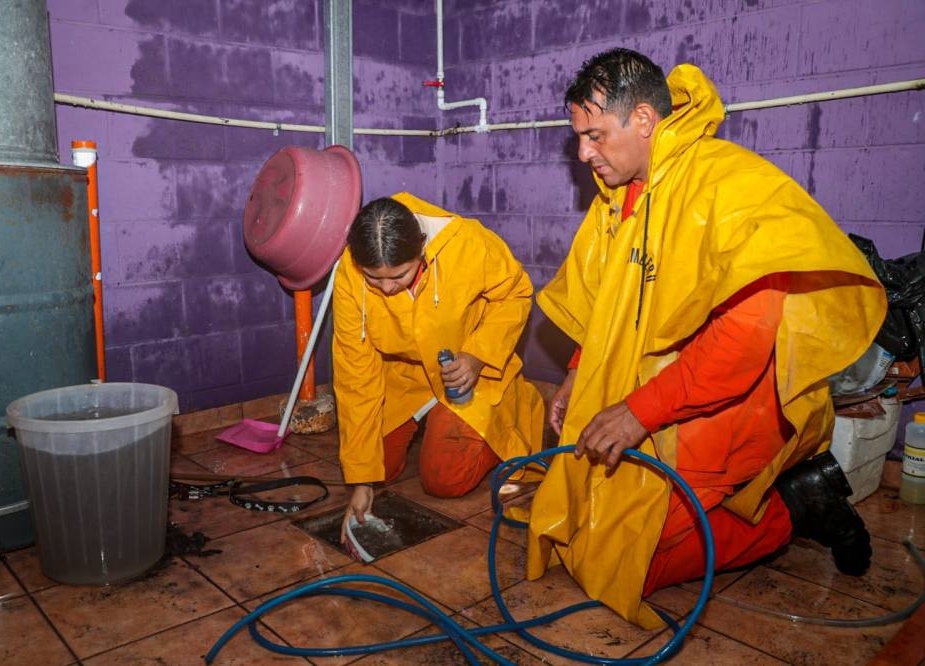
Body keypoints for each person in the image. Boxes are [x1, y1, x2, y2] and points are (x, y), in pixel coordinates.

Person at [527, 48, 888, 628]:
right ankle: (757, 506)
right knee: (580, 519)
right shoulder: (620, 199)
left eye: (594, 135)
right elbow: (607, 305)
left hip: (738, 405)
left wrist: (638, 413)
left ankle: (794, 508)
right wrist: (576, 371)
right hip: (665, 400)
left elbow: (739, 350)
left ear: (643, 120)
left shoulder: (728, 187)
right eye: (579, 138)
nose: (583, 153)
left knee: (623, 561)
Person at [333, 193, 545, 545]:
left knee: (445, 481)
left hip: (463, 373)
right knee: (373, 466)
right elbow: (354, 375)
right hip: (406, 377)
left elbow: (517, 292)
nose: (386, 289)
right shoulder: (349, 273)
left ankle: (505, 423)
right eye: (374, 279)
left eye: (398, 275)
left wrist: (477, 356)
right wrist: (361, 483)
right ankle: (428, 421)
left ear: (422, 249)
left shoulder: (468, 242)